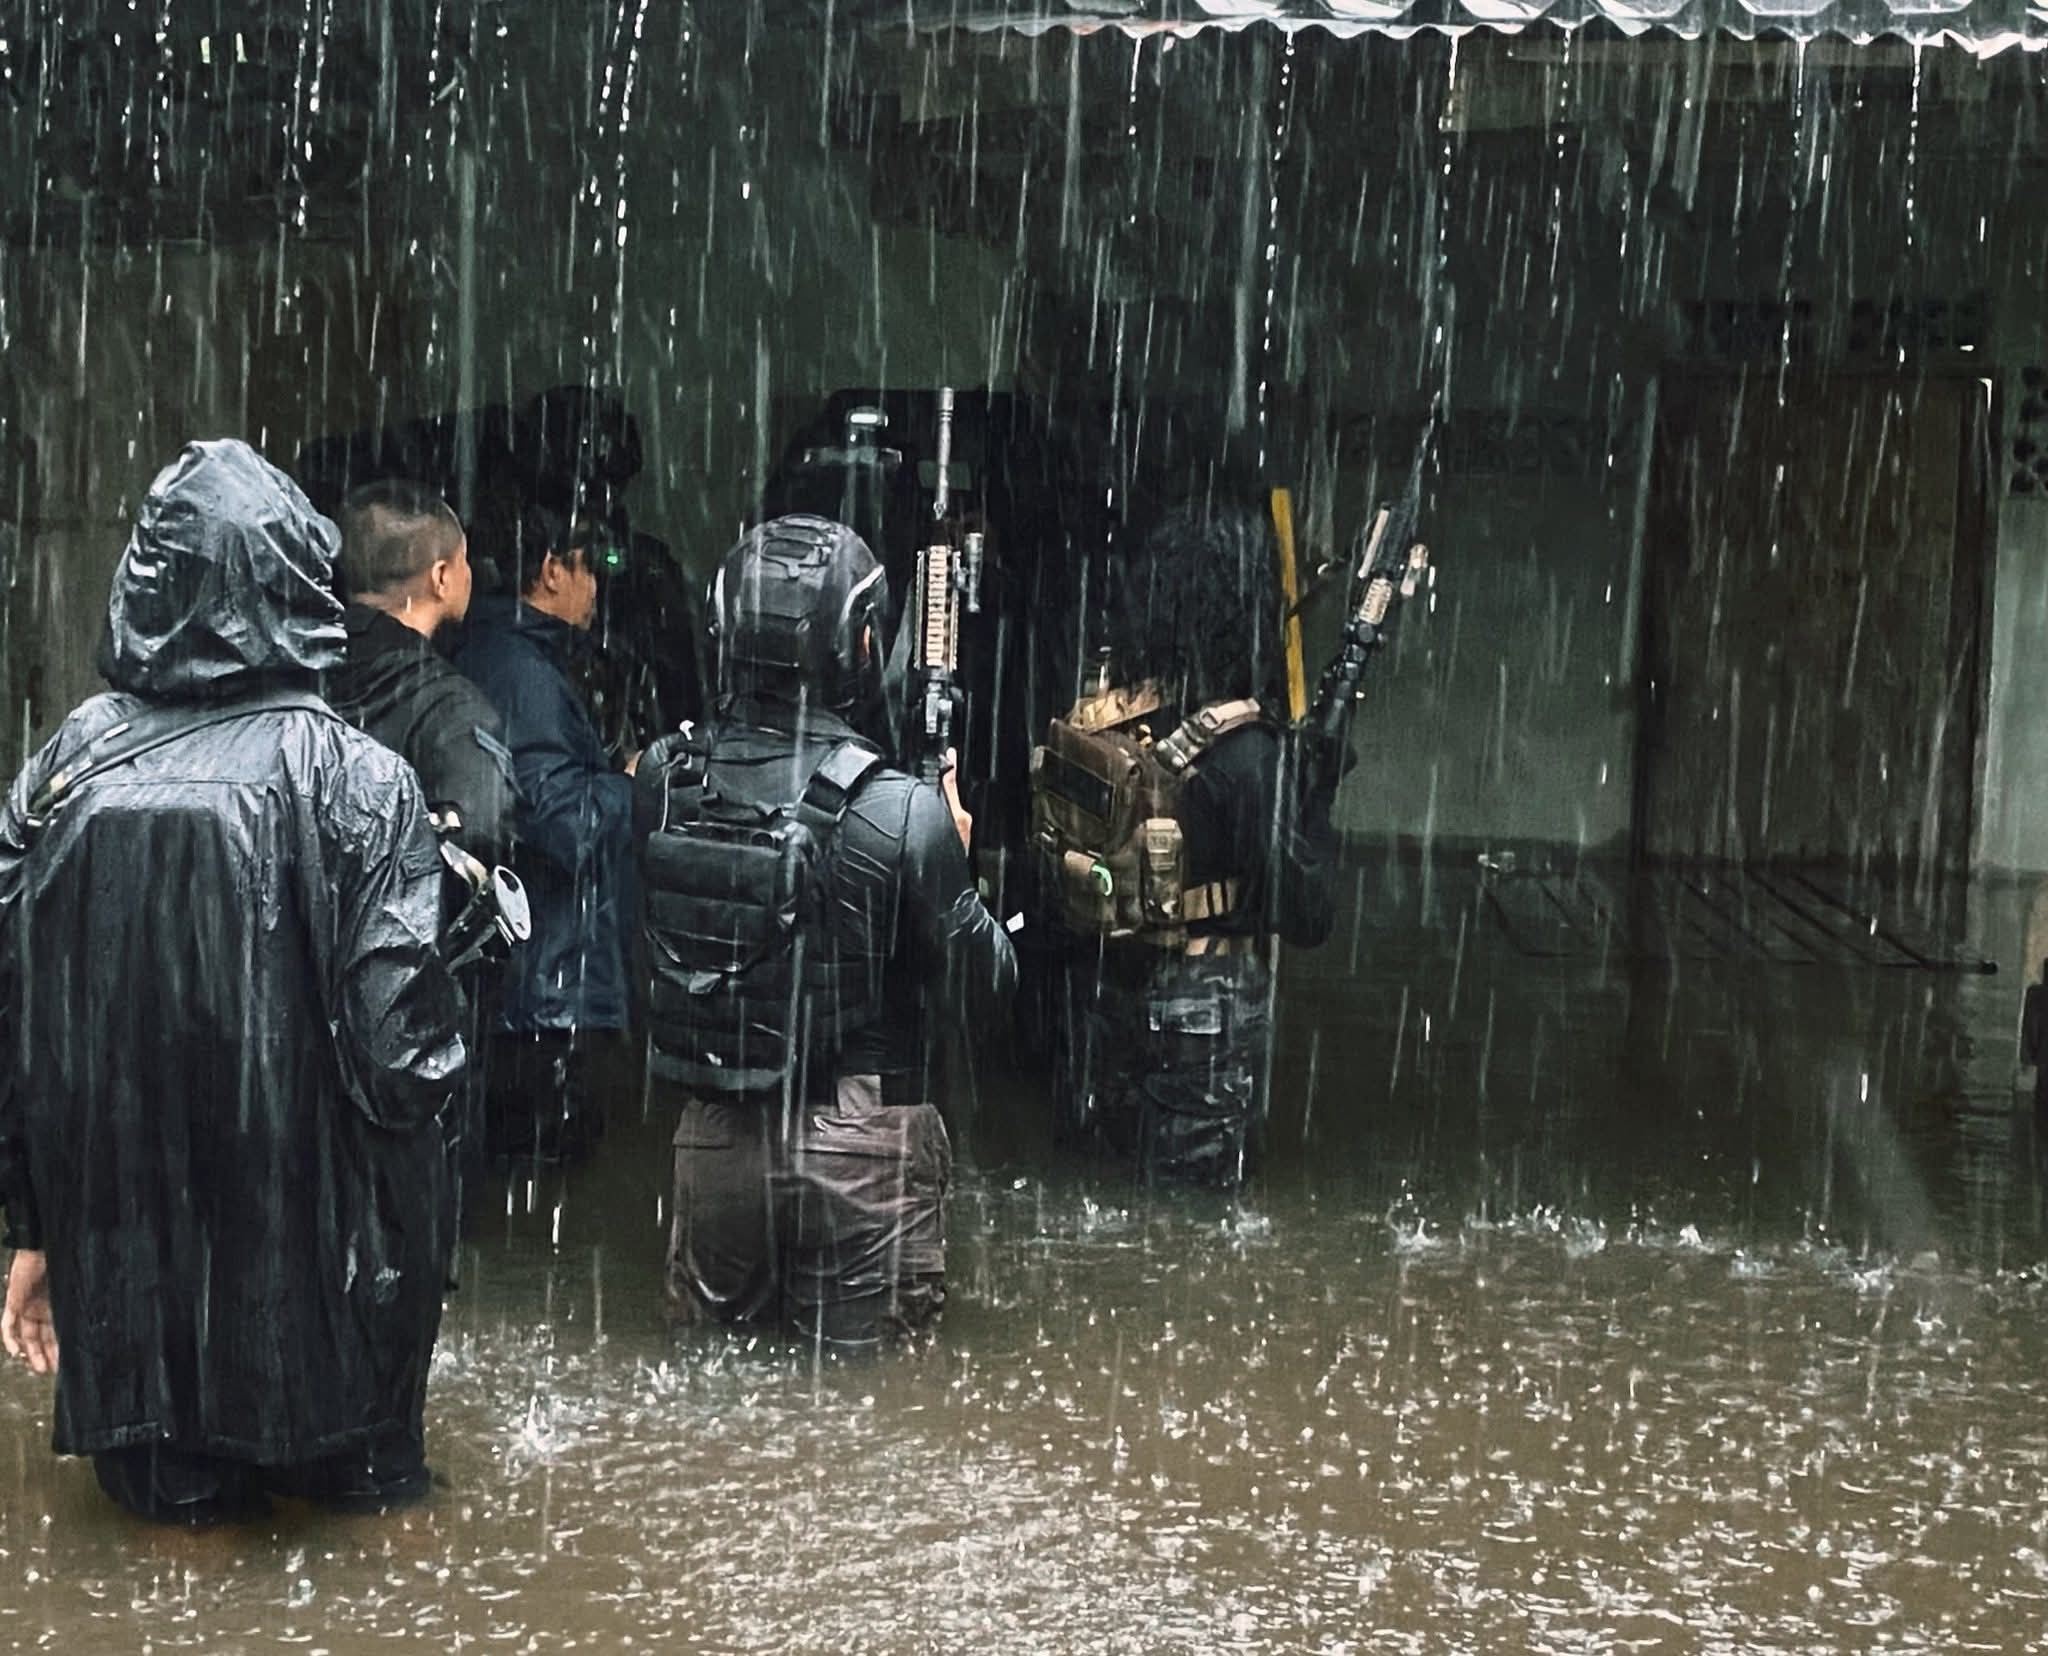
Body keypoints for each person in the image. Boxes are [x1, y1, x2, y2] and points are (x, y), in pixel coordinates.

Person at [0, 440, 465, 1522]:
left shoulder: (64, 770)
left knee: (175, 1564)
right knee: (376, 1554)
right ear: (303, 584)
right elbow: (402, 1065)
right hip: (335, 1271)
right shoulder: (361, 781)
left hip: (132, 1273)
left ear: (147, 584)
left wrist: (37, 1226)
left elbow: (17, 1028)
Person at [634, 514, 1016, 1351]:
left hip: (717, 1134)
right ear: (865, 641)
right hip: (866, 1145)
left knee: (711, 1403)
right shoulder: (901, 813)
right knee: (861, 1419)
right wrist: (953, 859)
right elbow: (987, 990)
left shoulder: (668, 777)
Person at [1032, 499, 1339, 1190]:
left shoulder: (1101, 721)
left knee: (1095, 1196)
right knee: (1191, 1231)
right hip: (1204, 1012)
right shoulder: (1249, 751)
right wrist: (1317, 795)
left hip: (1097, 999)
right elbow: (1312, 914)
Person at [325, 478, 522, 1223]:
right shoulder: (449, 708)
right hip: (402, 1033)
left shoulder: (290, 679)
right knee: (404, 1245)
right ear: (444, 576)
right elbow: (484, 839)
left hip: (279, 1023)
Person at [456, 505, 634, 1164]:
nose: (598, 589)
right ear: (553, 568)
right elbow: (564, 823)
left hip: (525, 984)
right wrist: (632, 784)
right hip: (544, 992)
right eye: (592, 567)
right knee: (545, 1175)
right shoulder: (522, 674)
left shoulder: (499, 653)